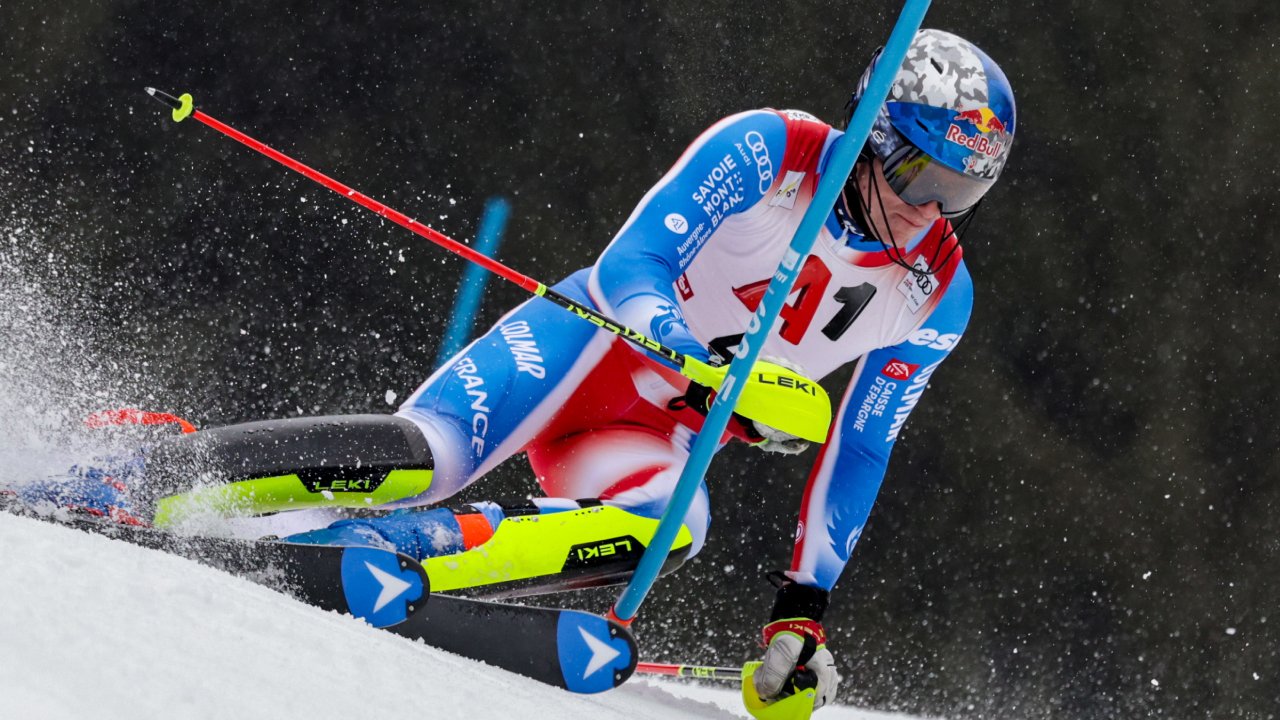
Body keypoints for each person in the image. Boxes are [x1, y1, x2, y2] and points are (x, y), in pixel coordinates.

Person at [15, 29, 1015, 713]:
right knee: (429, 454)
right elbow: (633, 267)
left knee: (676, 523)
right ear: (878, 136)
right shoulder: (768, 148)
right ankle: (151, 470)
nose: (933, 210)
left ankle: (395, 556)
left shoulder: (937, 294)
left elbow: (861, 444)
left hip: (649, 429)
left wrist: (801, 613)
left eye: (963, 192)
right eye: (924, 177)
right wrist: (701, 363)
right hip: (586, 346)